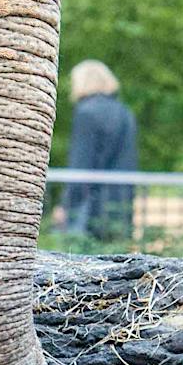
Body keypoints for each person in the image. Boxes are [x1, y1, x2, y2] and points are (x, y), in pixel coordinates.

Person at [62, 60, 138, 241]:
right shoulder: (126, 113)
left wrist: (67, 206)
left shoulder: (86, 112)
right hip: (122, 203)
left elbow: (81, 164)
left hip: (90, 208)